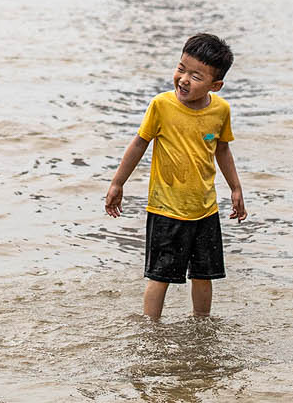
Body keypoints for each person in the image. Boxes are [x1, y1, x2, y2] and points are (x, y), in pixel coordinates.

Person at [103, 33, 247, 320]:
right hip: (166, 208)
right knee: (160, 275)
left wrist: (235, 188)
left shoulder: (221, 110)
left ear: (215, 85)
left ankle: (202, 324)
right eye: (181, 68)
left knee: (205, 275)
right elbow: (139, 143)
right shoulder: (162, 105)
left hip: (205, 208)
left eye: (196, 75)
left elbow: (223, 150)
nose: (183, 79)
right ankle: (150, 328)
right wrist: (118, 182)